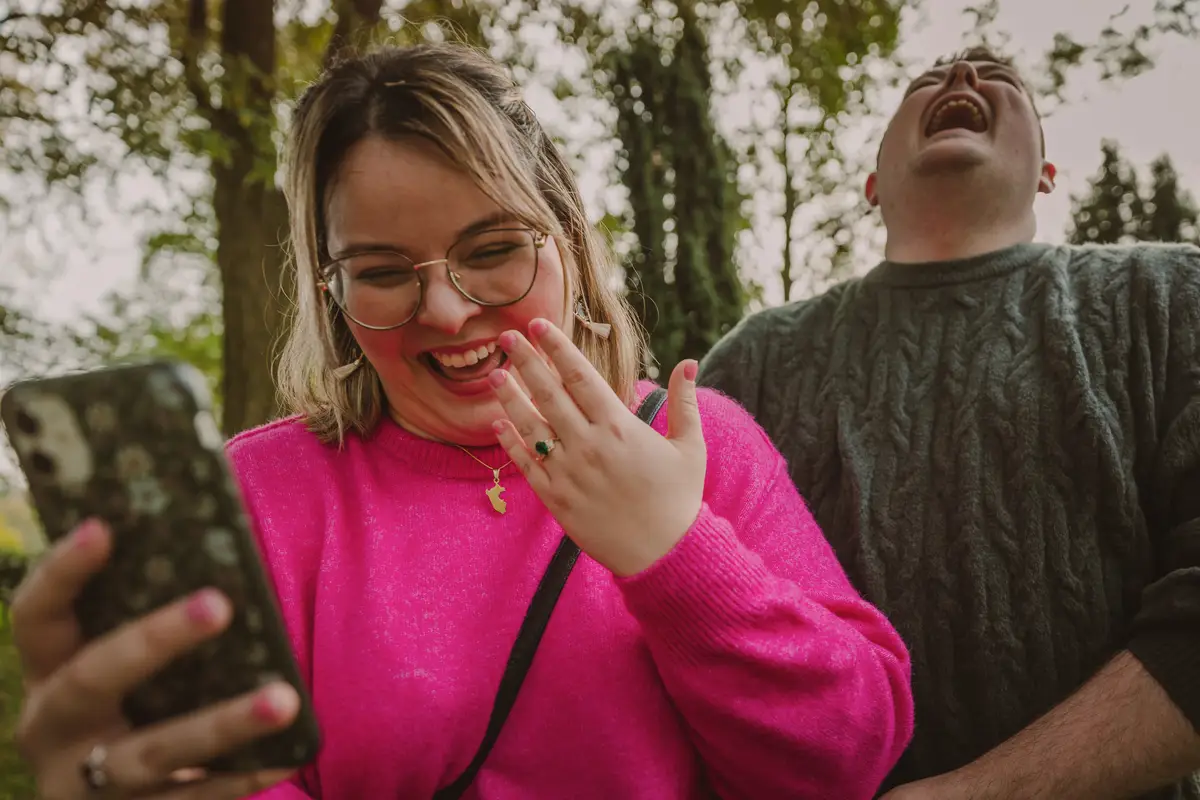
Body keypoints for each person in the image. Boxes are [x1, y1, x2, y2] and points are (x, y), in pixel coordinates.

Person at [9, 43, 915, 800]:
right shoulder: (264, 494)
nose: (444, 310)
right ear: (332, 293)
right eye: (381, 270)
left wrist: (674, 550)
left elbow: (847, 760)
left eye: (491, 252)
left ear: (567, 238)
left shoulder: (699, 442)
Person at [699, 45, 1200, 800]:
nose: (962, 76)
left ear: (1046, 176)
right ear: (871, 184)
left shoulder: (1169, 302)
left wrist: (980, 792)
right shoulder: (751, 363)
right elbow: (689, 621)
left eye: (1002, 76)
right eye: (927, 79)